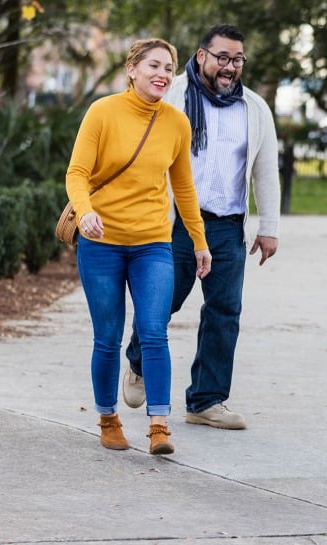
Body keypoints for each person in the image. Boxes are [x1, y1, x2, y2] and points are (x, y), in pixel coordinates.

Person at [122, 24, 280, 430]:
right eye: (222, 57)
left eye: (237, 59)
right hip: (175, 223)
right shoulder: (172, 94)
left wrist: (269, 226)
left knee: (224, 313)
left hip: (227, 225)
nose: (230, 66)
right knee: (164, 300)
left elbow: (265, 170)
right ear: (201, 56)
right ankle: (138, 361)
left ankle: (206, 401)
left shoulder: (254, 108)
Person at [65, 39, 212, 455]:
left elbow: (184, 188)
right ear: (132, 69)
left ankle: (158, 427)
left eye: (168, 67)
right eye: (154, 65)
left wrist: (199, 241)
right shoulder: (102, 112)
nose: (162, 74)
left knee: (153, 332)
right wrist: (85, 212)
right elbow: (77, 173)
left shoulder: (176, 123)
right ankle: (108, 419)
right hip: (101, 244)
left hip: (153, 244)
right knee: (108, 337)